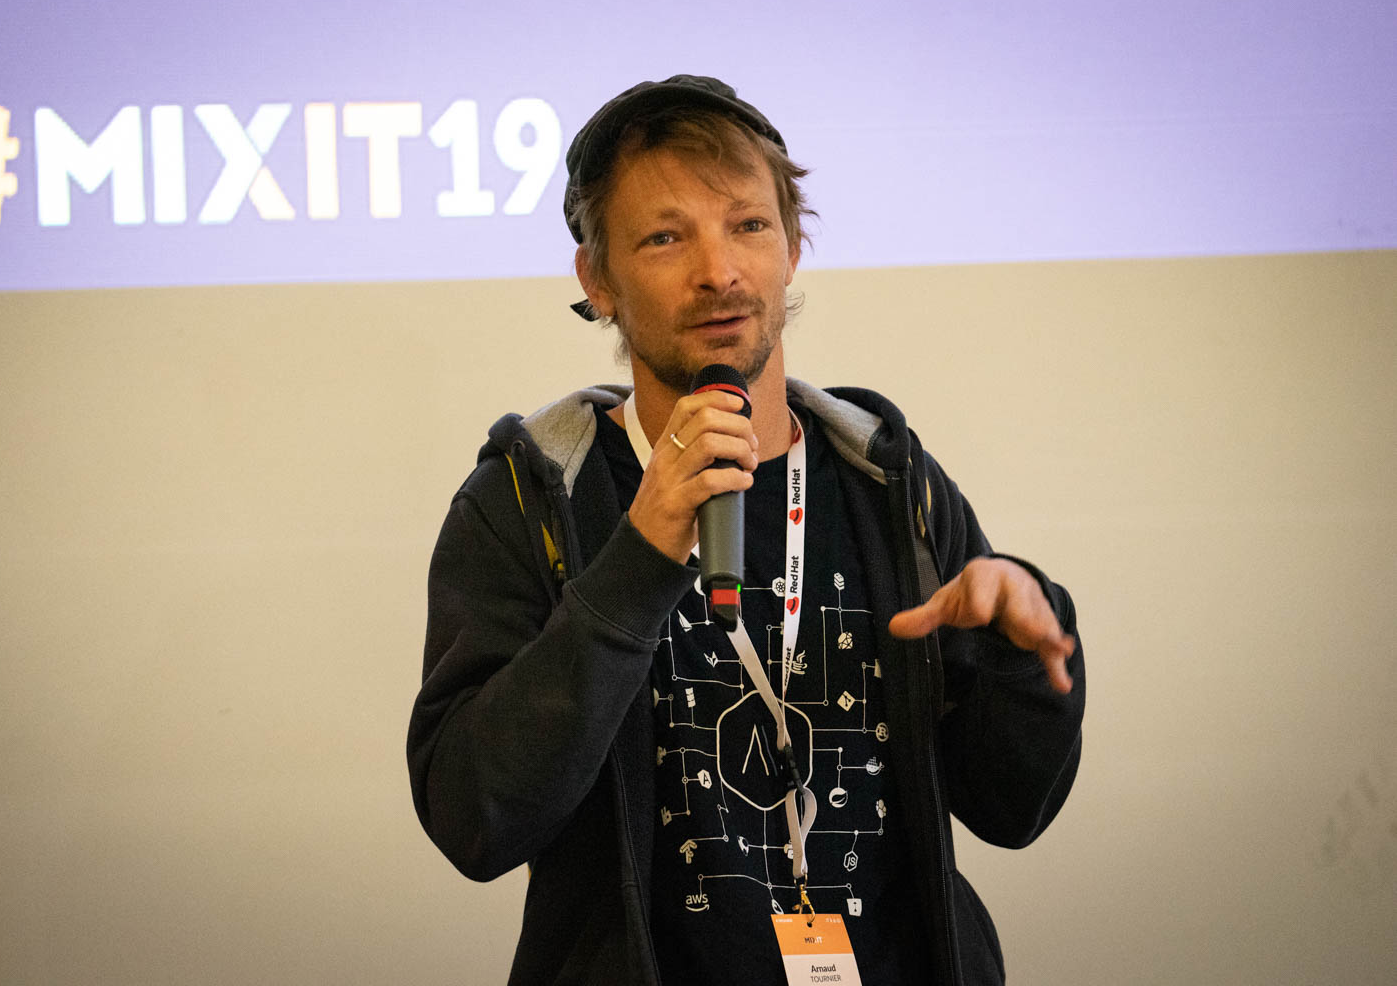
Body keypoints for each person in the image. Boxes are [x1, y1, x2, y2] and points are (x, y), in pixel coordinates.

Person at [407, 74, 1085, 985]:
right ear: (598, 281)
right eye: (664, 237)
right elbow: (474, 820)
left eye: (749, 225)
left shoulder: (890, 485)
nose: (719, 272)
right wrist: (637, 562)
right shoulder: (531, 501)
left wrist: (1016, 658)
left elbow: (1012, 809)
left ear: (793, 248)